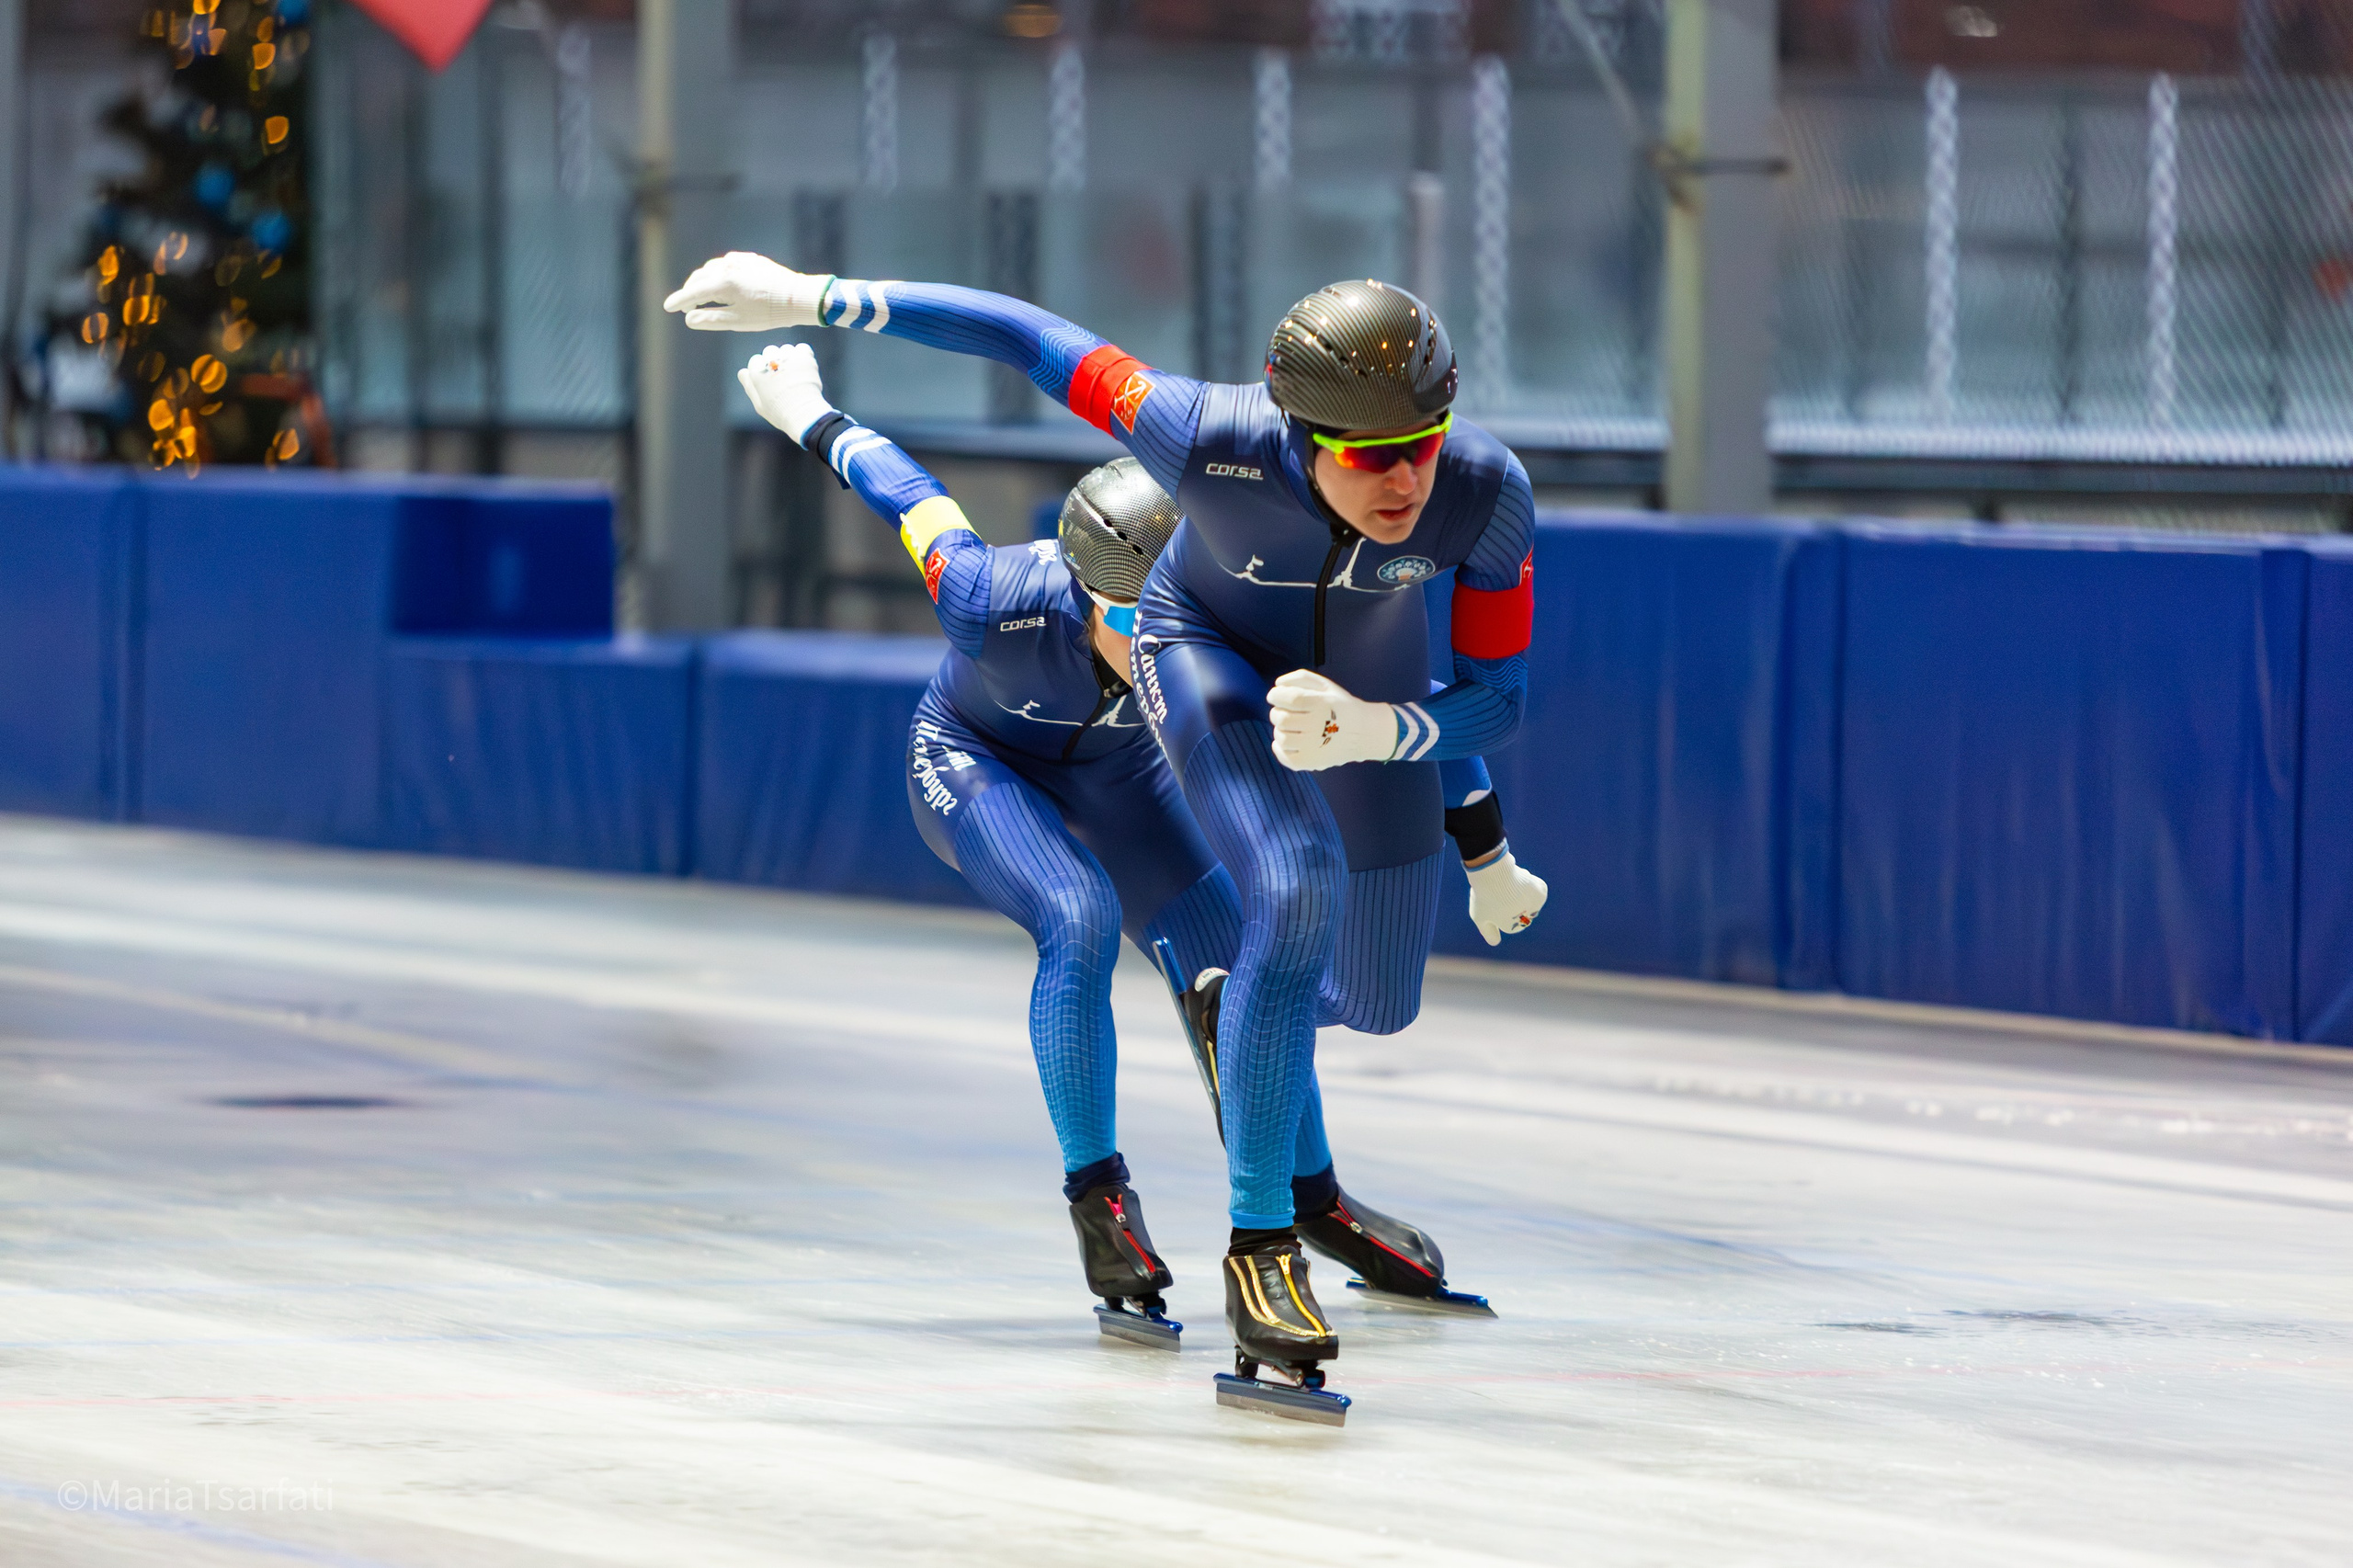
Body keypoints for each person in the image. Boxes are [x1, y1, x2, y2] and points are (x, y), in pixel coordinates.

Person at [688, 269, 1537, 1419]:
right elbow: (937, 472)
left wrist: (1448, 809)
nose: (1403, 476)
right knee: (1114, 913)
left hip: (1156, 758)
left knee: (1312, 977)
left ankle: (1311, 1181)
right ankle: (1136, 1205)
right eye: (1120, 614)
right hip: (989, 759)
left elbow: (1478, 697)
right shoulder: (1001, 595)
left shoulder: (1479, 496)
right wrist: (816, 359)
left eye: (1421, 443)